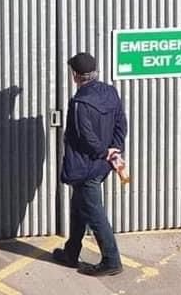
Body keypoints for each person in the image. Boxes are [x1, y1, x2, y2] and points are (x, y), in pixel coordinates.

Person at [53, 52, 127, 277]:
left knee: (95, 214)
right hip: (102, 165)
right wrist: (114, 149)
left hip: (86, 167)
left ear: (76, 75)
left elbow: (85, 136)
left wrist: (103, 151)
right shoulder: (110, 92)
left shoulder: (79, 103)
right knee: (79, 207)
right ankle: (71, 252)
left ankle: (112, 261)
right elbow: (121, 123)